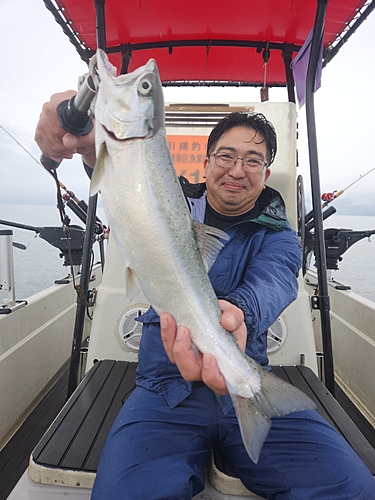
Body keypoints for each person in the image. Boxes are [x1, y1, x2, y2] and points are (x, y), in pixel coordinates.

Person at [35, 98, 375, 499]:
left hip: (245, 380)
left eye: (252, 160)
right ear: (207, 162)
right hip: (164, 392)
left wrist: (239, 314)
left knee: (353, 489)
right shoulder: (171, 206)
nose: (236, 170)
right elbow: (130, 184)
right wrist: (88, 141)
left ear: (265, 175)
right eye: (226, 156)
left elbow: (275, 281)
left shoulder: (281, 236)